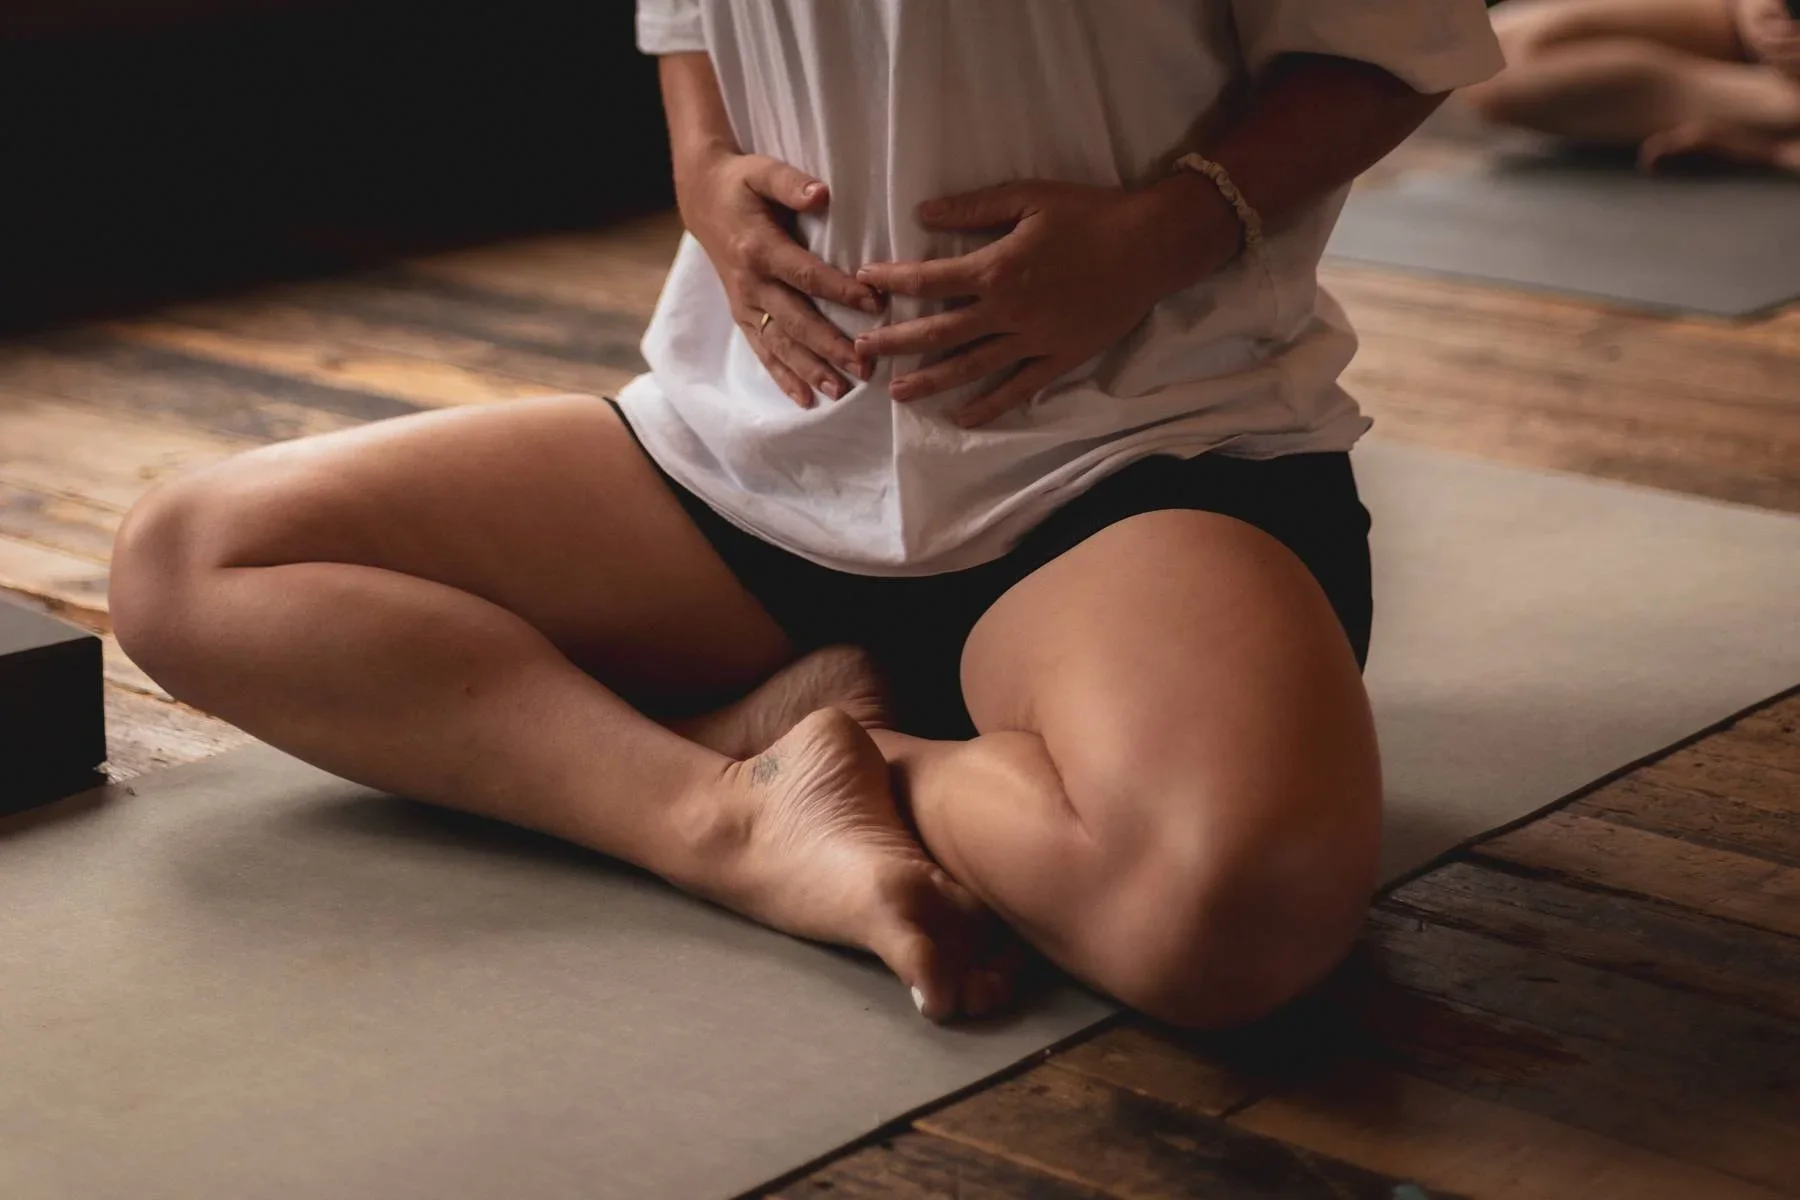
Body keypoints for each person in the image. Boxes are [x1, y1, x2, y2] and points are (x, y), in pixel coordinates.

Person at [109, 2, 1501, 1029]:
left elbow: (1394, 42)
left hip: (1136, 459)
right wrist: (705, 174)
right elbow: (686, 19)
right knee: (193, 561)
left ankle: (844, 748)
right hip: (754, 452)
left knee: (1233, 921)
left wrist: (1155, 239)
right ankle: (722, 816)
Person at [1464, 0, 1800, 173]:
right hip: (1748, 32)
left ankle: (1774, 119)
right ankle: (1779, 106)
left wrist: (1771, 153)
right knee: (1493, 55)